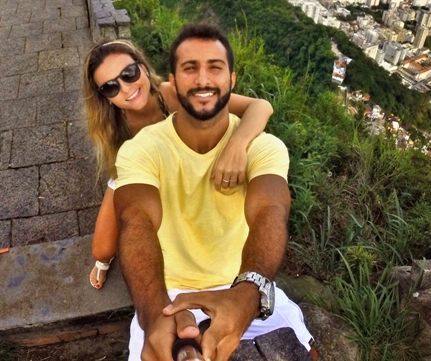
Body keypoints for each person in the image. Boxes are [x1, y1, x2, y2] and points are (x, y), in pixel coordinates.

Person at [114, 24, 313, 361]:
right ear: (173, 82)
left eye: (215, 68)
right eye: (190, 68)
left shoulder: (263, 147)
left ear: (232, 80)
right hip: (169, 293)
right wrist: (153, 309)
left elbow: (270, 210)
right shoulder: (142, 150)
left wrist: (248, 293)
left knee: (305, 350)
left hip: (241, 283)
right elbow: (136, 220)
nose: (203, 80)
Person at [83, 38, 274, 289]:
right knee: (102, 249)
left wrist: (236, 146)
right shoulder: (111, 124)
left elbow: (260, 106)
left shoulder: (170, 95)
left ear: (143, 68)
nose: (126, 88)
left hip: (183, 161)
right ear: (105, 97)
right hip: (137, 170)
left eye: (129, 74)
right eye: (110, 87)